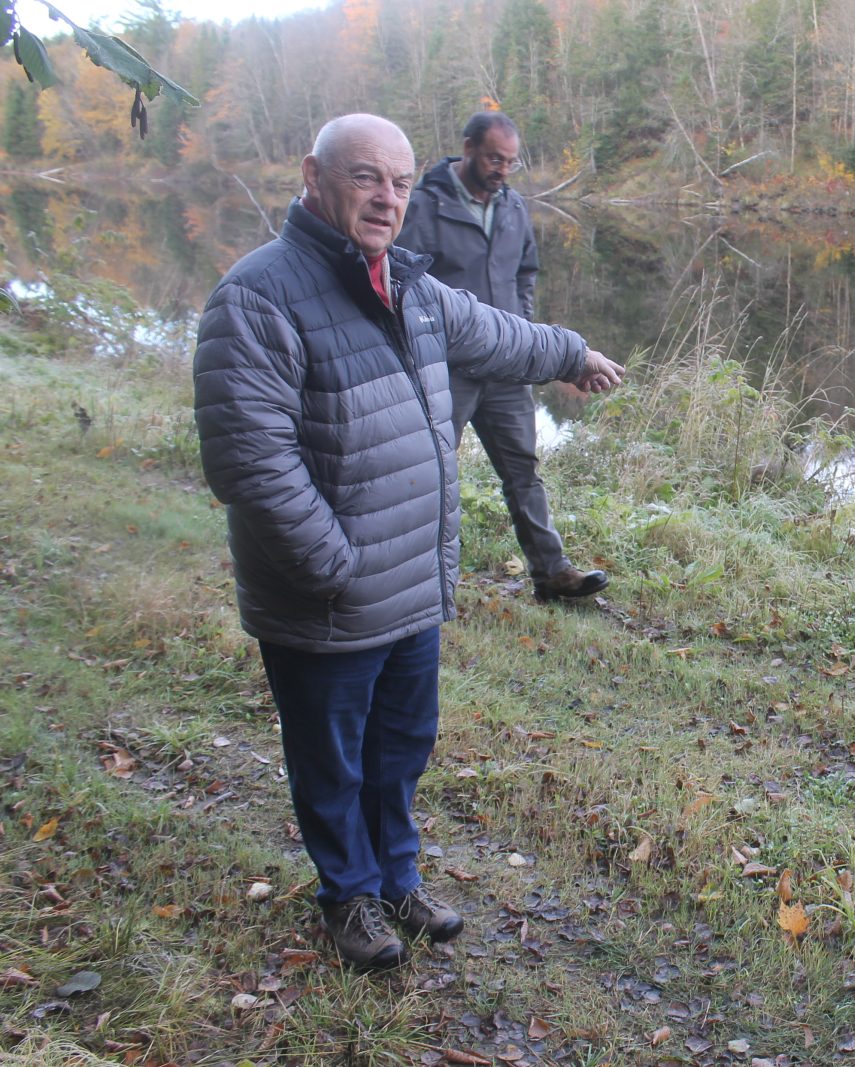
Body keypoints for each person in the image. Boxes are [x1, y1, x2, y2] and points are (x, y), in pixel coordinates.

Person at [192, 114, 623, 971]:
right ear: (314, 176)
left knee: (401, 748)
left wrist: (570, 351)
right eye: (365, 178)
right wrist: (334, 568)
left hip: (410, 585)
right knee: (332, 759)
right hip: (328, 594)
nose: (386, 198)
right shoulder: (257, 295)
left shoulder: (410, 285)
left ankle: (397, 878)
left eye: (396, 181)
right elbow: (251, 463)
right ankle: (348, 895)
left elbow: (494, 331)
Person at [397, 111, 606, 603]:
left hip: (509, 368)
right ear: (467, 148)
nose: (503, 169)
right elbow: (403, 283)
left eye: (510, 161)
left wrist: (526, 327)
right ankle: (411, 576)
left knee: (522, 471)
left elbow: (525, 271)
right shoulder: (424, 207)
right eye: (494, 158)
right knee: (428, 468)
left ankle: (553, 574)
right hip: (446, 368)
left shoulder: (513, 207)